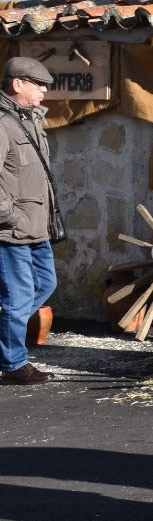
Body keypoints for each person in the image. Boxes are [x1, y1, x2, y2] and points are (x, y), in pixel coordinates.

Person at [0, 56, 62, 386]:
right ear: (17, 84)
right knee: (18, 299)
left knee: (45, 284)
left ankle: (6, 337)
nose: (44, 90)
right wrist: (11, 217)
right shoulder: (2, 124)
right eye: (37, 84)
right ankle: (13, 365)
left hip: (36, 228)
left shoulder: (30, 121)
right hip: (11, 230)